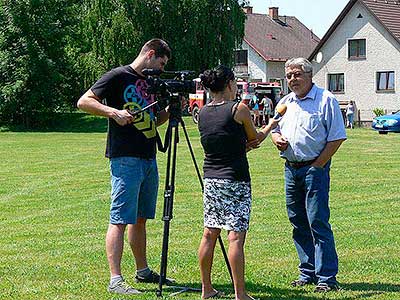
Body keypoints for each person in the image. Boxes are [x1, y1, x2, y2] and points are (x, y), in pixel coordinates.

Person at [77, 39, 173, 295]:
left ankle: (142, 271)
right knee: (120, 218)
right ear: (150, 54)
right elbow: (84, 101)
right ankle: (115, 279)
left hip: (148, 156)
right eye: (161, 63)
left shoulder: (151, 82)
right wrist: (113, 112)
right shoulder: (118, 76)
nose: (161, 70)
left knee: (140, 219)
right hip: (125, 158)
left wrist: (170, 110)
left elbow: (153, 120)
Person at [197, 65, 279, 300]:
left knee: (209, 234)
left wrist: (244, 145)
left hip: (211, 178)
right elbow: (255, 139)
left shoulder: (202, 113)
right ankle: (240, 294)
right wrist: (271, 125)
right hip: (235, 179)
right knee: (235, 237)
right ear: (231, 84)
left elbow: (224, 142)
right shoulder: (239, 109)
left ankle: (206, 289)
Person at [271, 58, 346, 293]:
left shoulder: (326, 100)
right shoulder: (285, 102)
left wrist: (318, 165)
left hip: (315, 168)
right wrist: (276, 138)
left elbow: (337, 137)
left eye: (297, 74)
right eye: (289, 75)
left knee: (318, 222)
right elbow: (274, 126)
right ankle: (307, 271)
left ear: (309, 75)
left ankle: (327, 278)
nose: (292, 79)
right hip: (291, 169)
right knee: (298, 222)